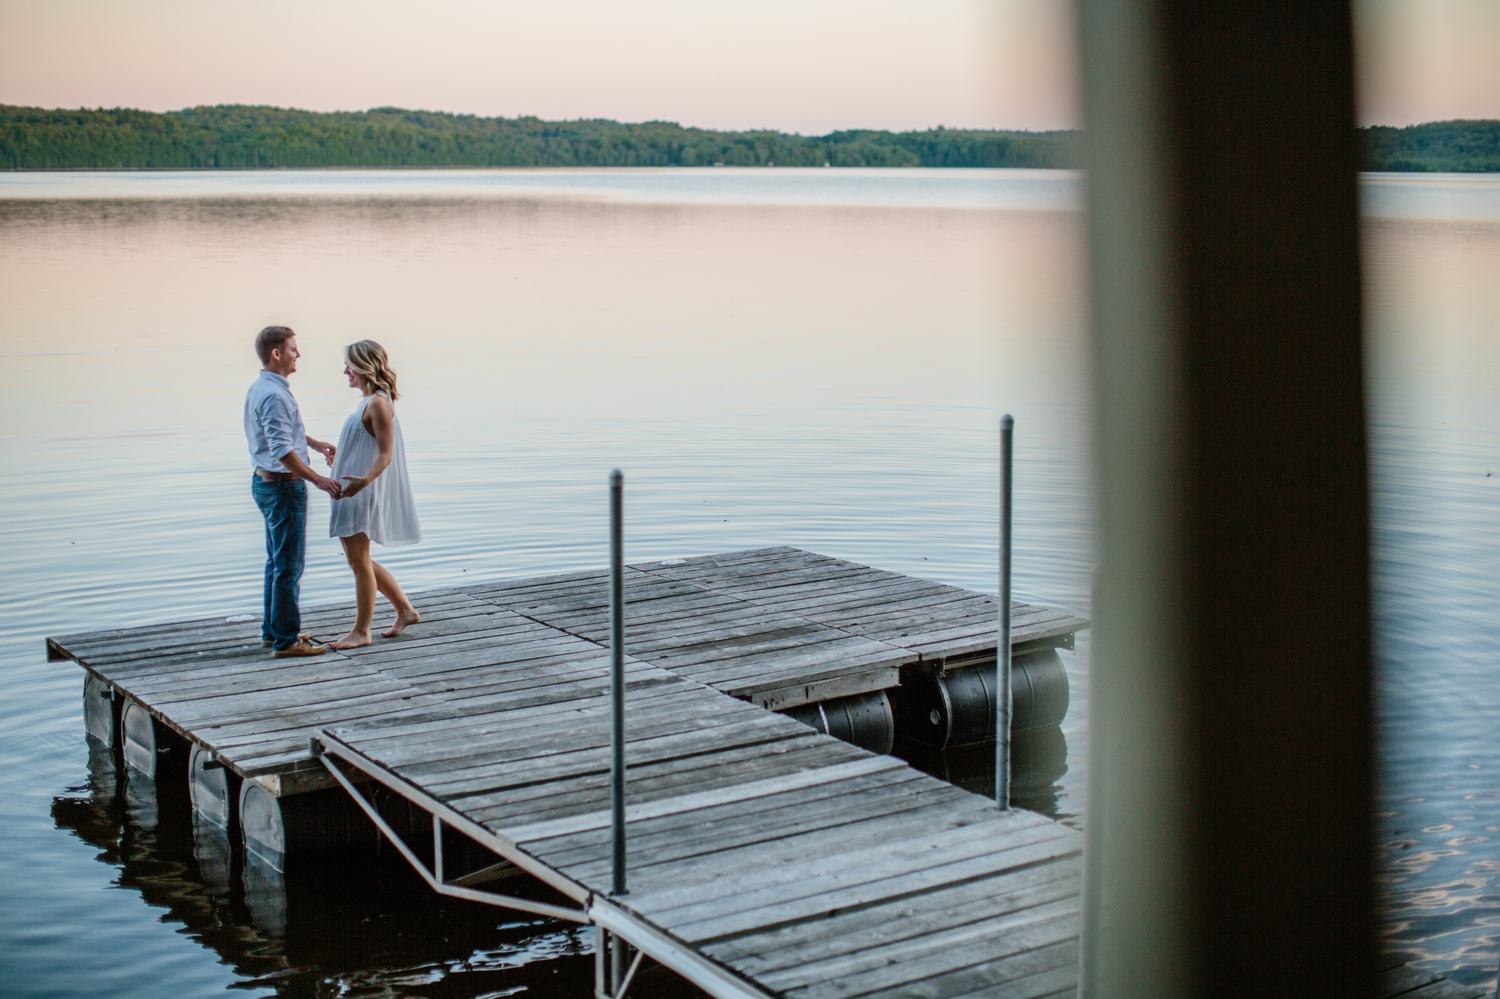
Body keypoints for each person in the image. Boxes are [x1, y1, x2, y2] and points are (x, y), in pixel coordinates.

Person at [244, 325, 342, 657]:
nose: (297, 354)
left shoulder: (264, 388)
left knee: (277, 562)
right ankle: (287, 641)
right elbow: (282, 449)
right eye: (293, 349)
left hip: (266, 482)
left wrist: (312, 442)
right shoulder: (273, 394)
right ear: (277, 353)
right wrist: (317, 478)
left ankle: (274, 632)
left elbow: (285, 434)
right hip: (283, 487)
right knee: (289, 565)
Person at [327, 340, 421, 649]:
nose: (345, 372)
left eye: (349, 366)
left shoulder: (380, 403)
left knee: (358, 562)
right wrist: (343, 453)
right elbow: (366, 443)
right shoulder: (368, 400)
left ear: (365, 366)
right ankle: (405, 610)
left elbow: (385, 454)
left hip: (359, 491)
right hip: (351, 488)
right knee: (359, 559)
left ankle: (361, 631)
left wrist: (363, 480)